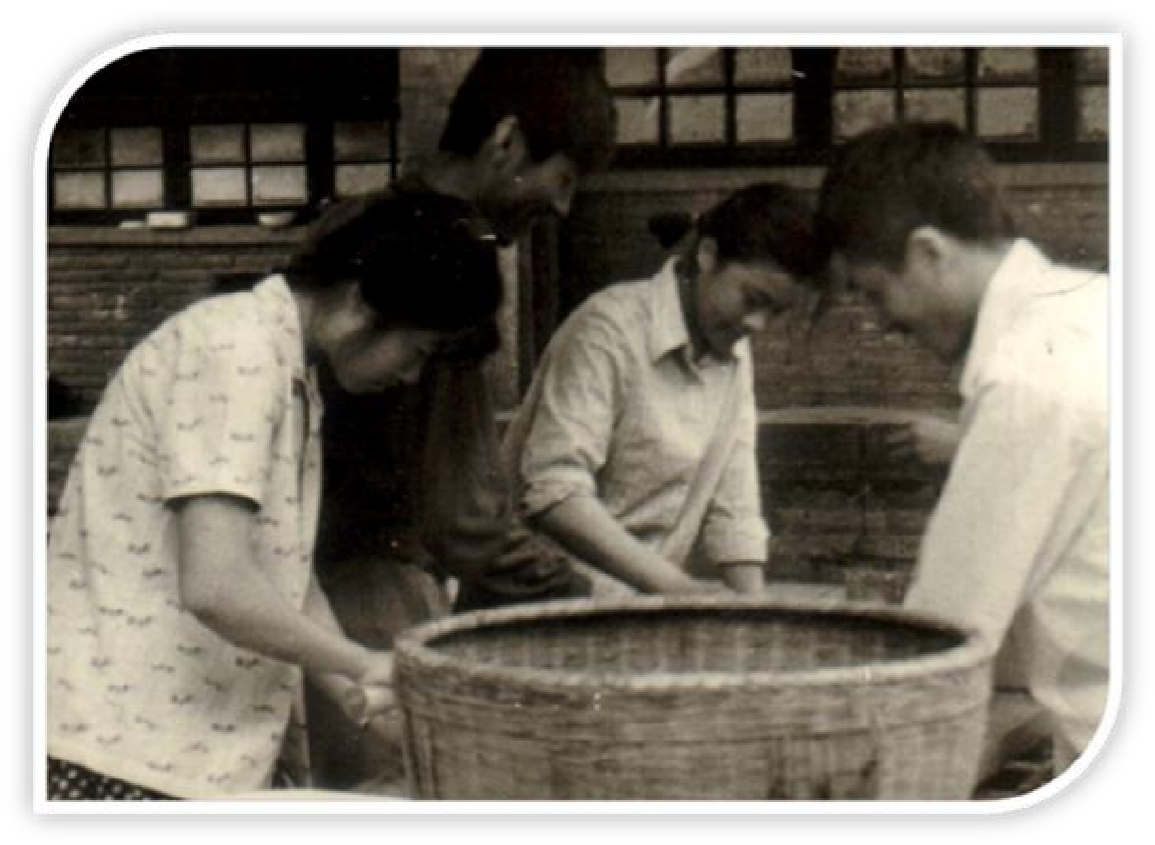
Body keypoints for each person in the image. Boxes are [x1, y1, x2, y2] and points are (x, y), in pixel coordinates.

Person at [45, 190, 503, 800]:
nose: (413, 375)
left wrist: (360, 694)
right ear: (360, 301)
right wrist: (363, 662)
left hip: (185, 751)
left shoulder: (286, 367)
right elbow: (217, 585)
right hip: (125, 754)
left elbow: (281, 572)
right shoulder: (235, 350)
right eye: (417, 350)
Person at [305, 47, 616, 786]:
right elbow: (463, 516)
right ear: (506, 141)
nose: (563, 208)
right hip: (376, 595)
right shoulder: (452, 255)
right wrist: (577, 594)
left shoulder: (357, 220)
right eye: (563, 179)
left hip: (307, 588)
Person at [815, 122, 1110, 780]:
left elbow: (945, 636)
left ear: (927, 252)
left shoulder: (1026, 376)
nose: (883, 323)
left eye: (874, 292)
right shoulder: (1094, 307)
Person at [491, 183, 825, 598]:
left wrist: (755, 615)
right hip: (536, 602)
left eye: (776, 311)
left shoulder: (732, 348)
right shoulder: (608, 329)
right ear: (708, 255)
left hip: (638, 609)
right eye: (752, 299)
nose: (758, 324)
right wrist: (679, 590)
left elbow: (735, 508)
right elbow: (554, 492)